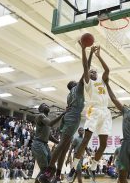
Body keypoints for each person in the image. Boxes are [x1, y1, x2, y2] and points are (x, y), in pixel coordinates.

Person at [38, 42, 96, 183]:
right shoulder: (78, 88)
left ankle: (57, 174)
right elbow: (86, 68)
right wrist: (89, 52)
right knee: (62, 144)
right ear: (74, 85)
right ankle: (49, 171)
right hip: (73, 117)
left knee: (64, 146)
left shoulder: (70, 94)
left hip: (69, 117)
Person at [68, 44, 112, 183]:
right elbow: (85, 67)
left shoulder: (103, 82)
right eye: (91, 72)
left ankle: (93, 167)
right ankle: (74, 167)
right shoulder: (88, 83)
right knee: (86, 140)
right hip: (94, 110)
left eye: (94, 72)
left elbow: (107, 69)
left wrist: (99, 56)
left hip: (105, 112)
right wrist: (86, 51)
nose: (92, 73)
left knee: (103, 144)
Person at [31, 103, 65, 183]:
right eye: (44, 105)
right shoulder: (41, 116)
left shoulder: (46, 120)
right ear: (41, 109)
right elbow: (51, 123)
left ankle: (38, 181)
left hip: (44, 144)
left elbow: (49, 136)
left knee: (52, 168)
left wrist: (60, 142)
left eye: (47, 105)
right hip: (38, 144)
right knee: (46, 170)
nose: (47, 106)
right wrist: (62, 114)